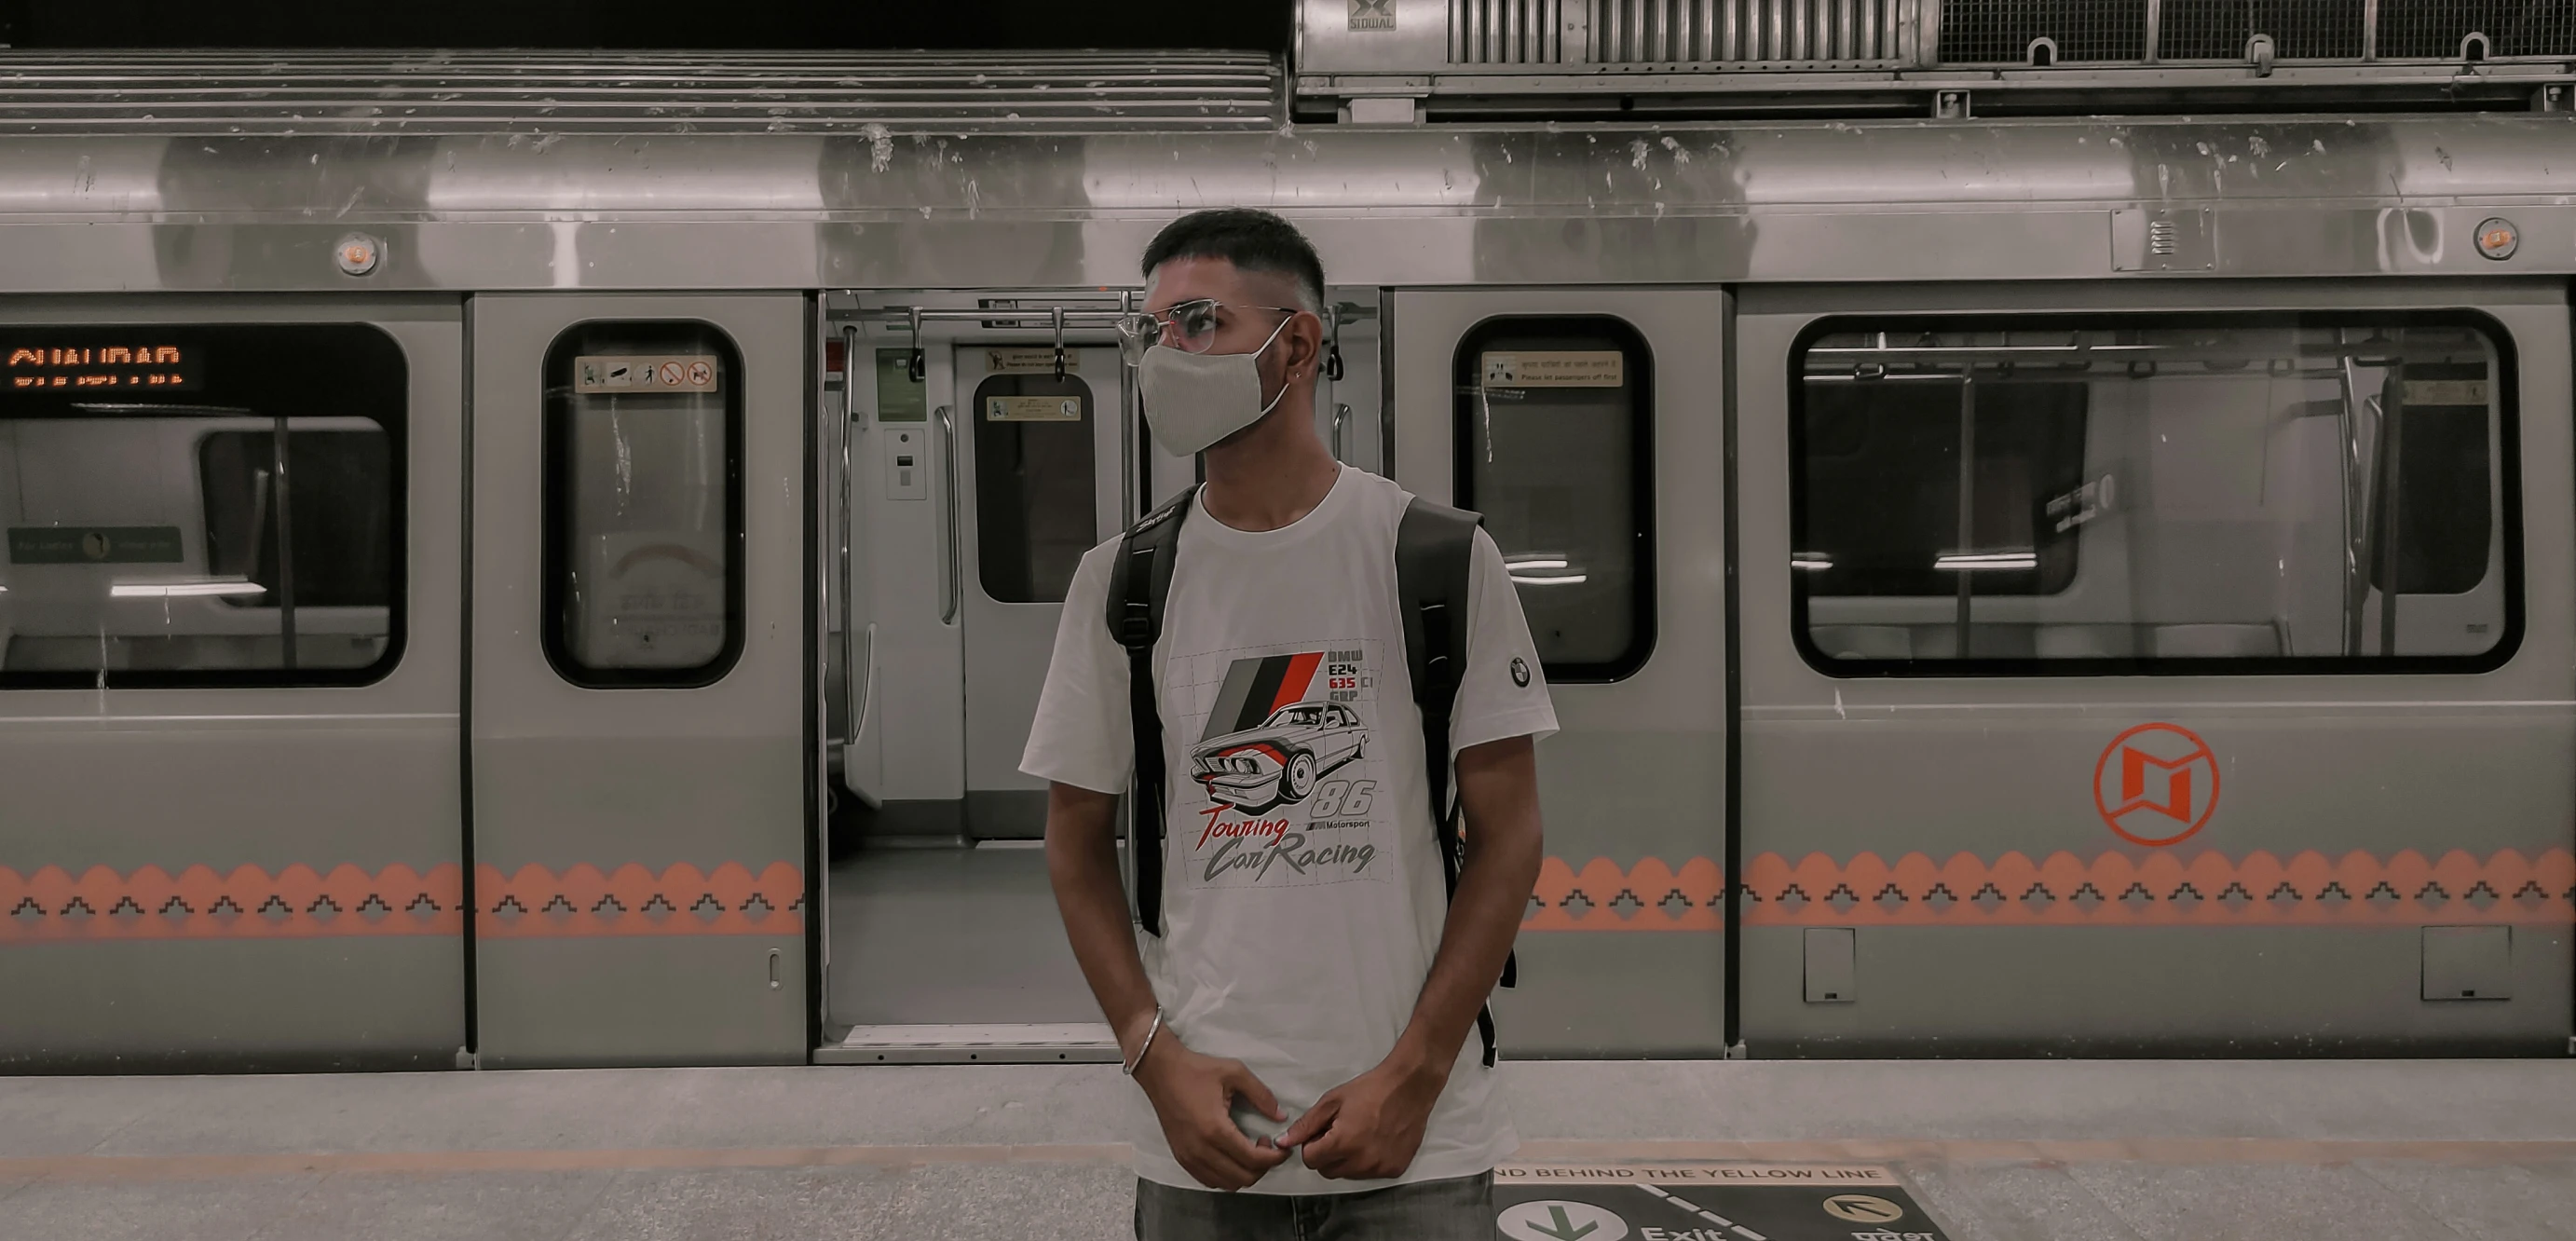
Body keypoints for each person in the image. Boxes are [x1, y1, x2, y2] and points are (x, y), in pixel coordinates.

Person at [1021, 207, 1557, 1239]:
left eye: (1195, 324)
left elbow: (1509, 837)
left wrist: (1415, 1072)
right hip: (1204, 1134)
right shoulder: (1121, 583)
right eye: (1150, 331)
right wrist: (1150, 1056)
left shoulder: (1434, 559)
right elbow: (1074, 843)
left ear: (1297, 344)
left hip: (1419, 1142)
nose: (1162, 355)